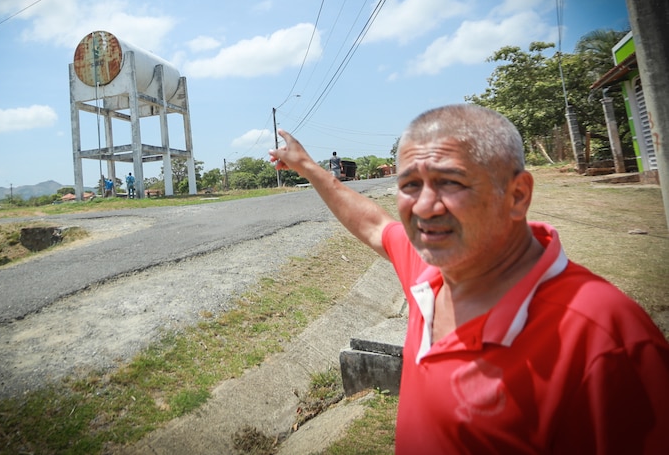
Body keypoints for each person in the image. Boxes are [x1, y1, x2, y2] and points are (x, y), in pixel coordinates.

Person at [269, 104, 669, 454]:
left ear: (517, 195)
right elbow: (374, 224)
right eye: (410, 185)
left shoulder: (606, 340)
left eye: (451, 182)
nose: (424, 206)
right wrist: (307, 166)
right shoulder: (433, 271)